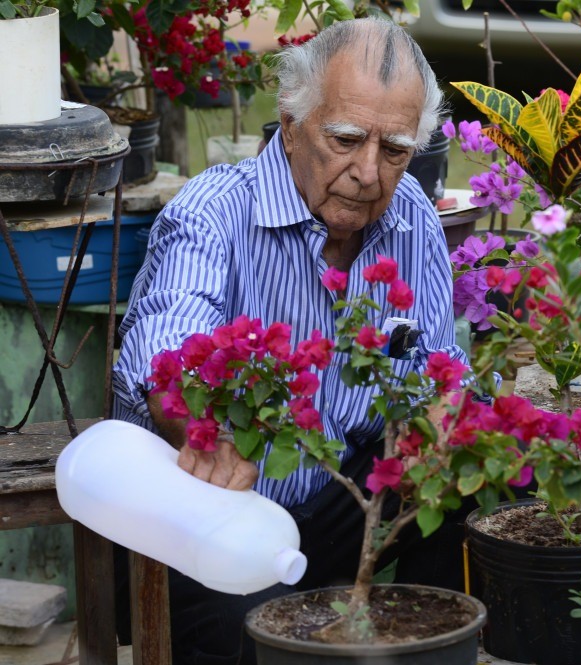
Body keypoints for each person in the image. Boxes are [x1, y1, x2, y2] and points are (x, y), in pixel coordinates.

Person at [111, 18, 467, 665]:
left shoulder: (411, 214)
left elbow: (436, 367)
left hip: (343, 497)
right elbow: (164, 348)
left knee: (470, 505)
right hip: (219, 511)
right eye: (347, 139)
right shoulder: (213, 210)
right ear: (292, 122)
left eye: (395, 149)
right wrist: (207, 425)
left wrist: (442, 418)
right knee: (235, 628)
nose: (368, 172)